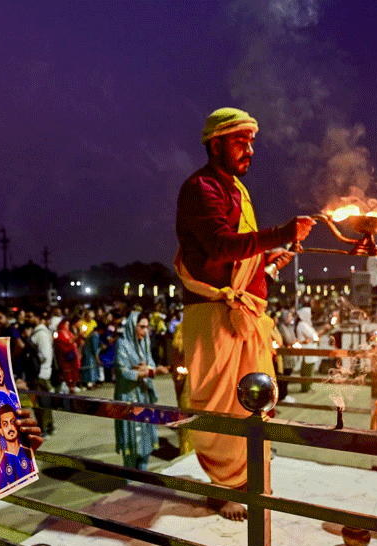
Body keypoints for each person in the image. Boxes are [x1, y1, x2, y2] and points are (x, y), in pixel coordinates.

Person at [174, 107, 314, 520]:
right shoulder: (200, 187)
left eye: (251, 143)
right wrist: (281, 233)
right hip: (214, 316)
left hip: (242, 316)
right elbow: (219, 247)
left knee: (255, 402)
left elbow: (237, 255)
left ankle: (248, 478)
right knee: (221, 406)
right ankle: (225, 488)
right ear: (216, 144)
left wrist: (268, 259)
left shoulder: (236, 189)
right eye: (240, 142)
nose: (249, 150)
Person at [113, 311, 169, 470]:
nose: (145, 331)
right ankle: (130, 479)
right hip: (128, 397)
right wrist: (149, 371)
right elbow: (124, 372)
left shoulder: (144, 344)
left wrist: (145, 369)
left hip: (144, 396)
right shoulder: (122, 344)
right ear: (133, 326)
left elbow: (150, 364)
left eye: (147, 327)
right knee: (131, 439)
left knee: (146, 440)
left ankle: (142, 477)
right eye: (141, 327)